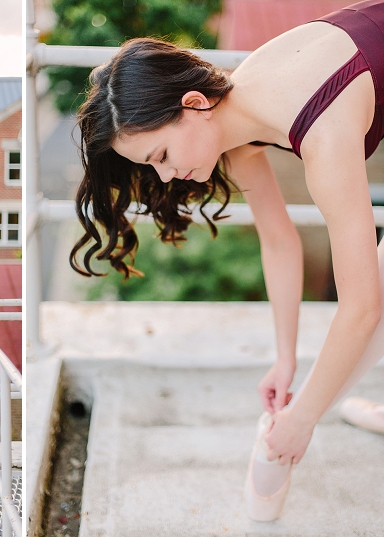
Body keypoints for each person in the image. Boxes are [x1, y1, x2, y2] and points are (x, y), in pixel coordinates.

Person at [70, 0, 384, 522]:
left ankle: (287, 435)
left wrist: (303, 417)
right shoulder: (237, 120)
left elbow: (362, 307)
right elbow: (279, 241)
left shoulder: (322, 131)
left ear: (193, 102)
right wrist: (285, 358)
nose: (167, 178)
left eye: (161, 157)